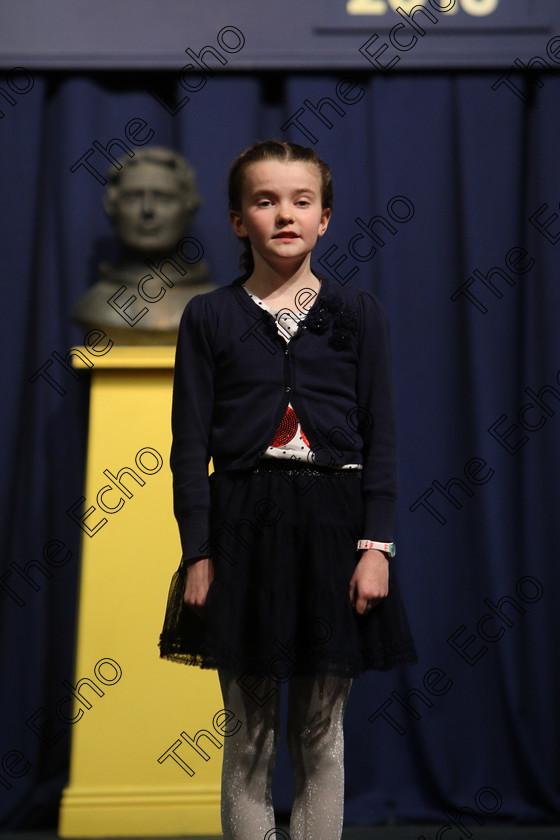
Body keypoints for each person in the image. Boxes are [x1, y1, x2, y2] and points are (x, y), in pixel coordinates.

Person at [159, 139, 418, 840]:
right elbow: (188, 450)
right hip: (242, 527)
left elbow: (383, 440)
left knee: (320, 731)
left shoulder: (359, 315)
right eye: (266, 201)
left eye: (301, 202)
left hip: (334, 531)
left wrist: (377, 548)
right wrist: (200, 552)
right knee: (248, 737)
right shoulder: (209, 318)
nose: (285, 215)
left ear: (326, 218)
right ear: (240, 220)